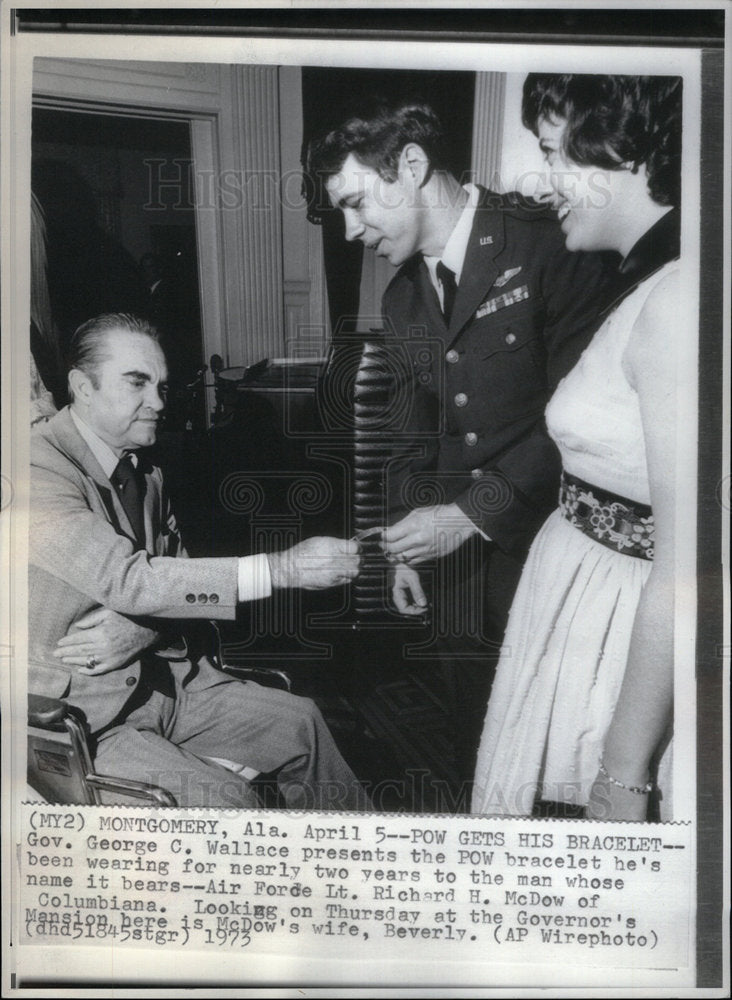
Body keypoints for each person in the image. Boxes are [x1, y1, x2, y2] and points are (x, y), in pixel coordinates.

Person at [307, 100, 619, 789]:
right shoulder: (402, 301)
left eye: (358, 204)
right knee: (471, 742)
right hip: (452, 576)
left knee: (551, 752)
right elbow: (408, 438)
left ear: (412, 166)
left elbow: (586, 417)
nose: (353, 231)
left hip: (545, 549)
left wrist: (470, 513)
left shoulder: (546, 242)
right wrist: (400, 546)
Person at [29, 312, 368, 810]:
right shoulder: (34, 471)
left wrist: (144, 630)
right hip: (82, 718)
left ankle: (367, 877)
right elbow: (129, 582)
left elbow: (179, 579)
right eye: (137, 382)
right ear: (82, 386)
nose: (158, 403)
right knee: (231, 804)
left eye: (162, 386)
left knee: (302, 725)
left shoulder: (144, 471)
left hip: (165, 685)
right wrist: (284, 569)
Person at [472, 74, 682, 822]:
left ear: (625, 151)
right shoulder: (645, 279)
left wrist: (622, 778)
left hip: (617, 638)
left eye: (557, 153)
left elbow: (688, 573)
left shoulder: (681, 297)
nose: (544, 180)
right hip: (577, 606)